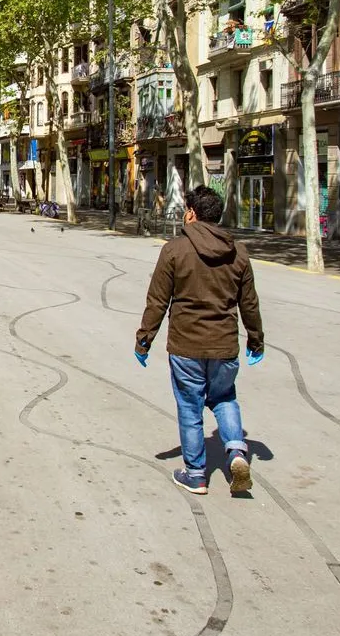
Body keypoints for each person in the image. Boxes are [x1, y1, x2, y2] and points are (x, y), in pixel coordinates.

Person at [136, 185, 265, 495]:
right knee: (224, 398)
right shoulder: (238, 252)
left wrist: (144, 340)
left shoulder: (174, 250)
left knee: (190, 407)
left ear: (191, 213)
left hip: (186, 345)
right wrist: (256, 340)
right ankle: (236, 450)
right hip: (224, 345)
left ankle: (195, 474)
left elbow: (158, 301)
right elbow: (249, 303)